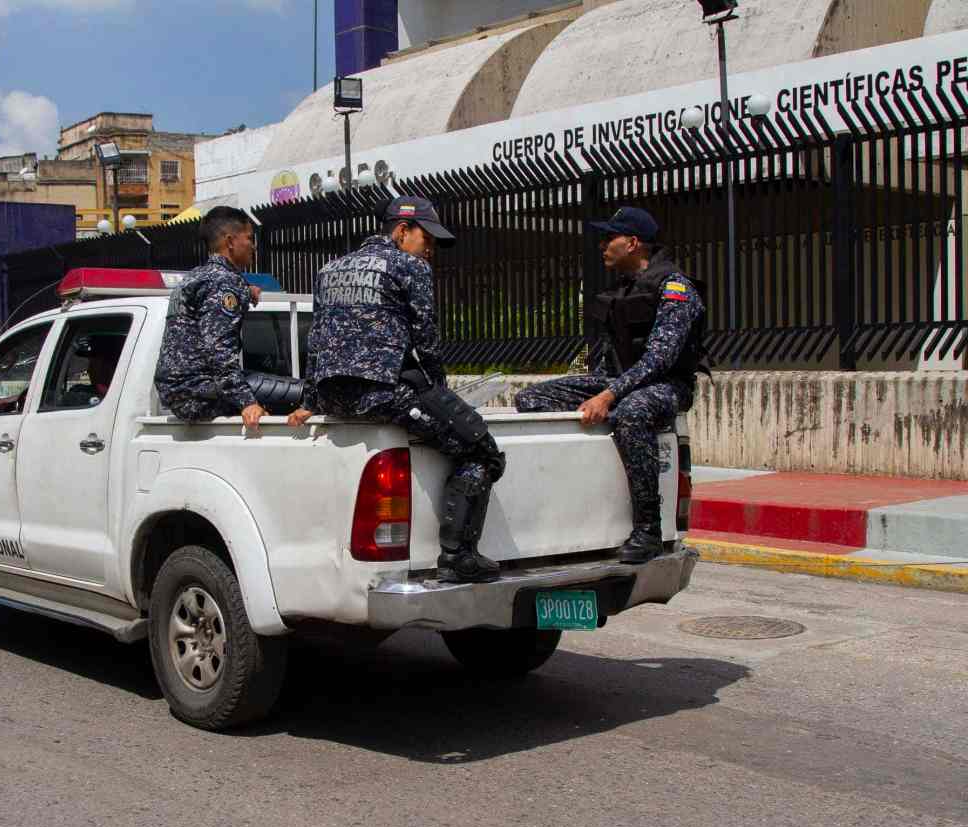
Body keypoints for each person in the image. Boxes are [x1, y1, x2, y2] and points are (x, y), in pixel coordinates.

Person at [287, 197, 506, 584]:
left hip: (337, 397)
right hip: (384, 393)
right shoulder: (409, 266)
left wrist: (309, 402)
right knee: (482, 451)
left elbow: (316, 342)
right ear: (402, 231)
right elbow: (426, 338)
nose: (430, 250)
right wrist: (442, 397)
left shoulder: (328, 269)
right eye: (428, 239)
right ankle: (458, 557)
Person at [514, 207, 706, 564]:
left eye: (609, 238)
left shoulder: (675, 289)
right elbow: (603, 356)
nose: (602, 245)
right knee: (532, 398)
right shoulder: (621, 291)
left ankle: (647, 528)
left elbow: (659, 360)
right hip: (619, 382)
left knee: (631, 412)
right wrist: (596, 389)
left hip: (665, 386)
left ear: (633, 243)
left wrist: (608, 395)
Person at [154, 206, 267, 431]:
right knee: (299, 394)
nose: (253, 246)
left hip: (180, 390)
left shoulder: (196, 277)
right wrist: (246, 401)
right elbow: (218, 349)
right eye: (249, 238)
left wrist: (245, 288)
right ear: (230, 241)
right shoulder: (223, 283)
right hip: (202, 392)